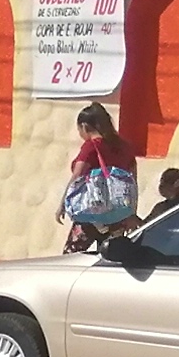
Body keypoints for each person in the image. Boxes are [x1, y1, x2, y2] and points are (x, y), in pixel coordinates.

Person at [60, 101, 137, 251]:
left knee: (72, 255)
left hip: (91, 213)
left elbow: (77, 176)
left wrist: (63, 204)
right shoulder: (125, 147)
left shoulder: (91, 147)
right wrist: (131, 213)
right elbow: (133, 181)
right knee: (111, 258)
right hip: (117, 215)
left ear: (84, 126)